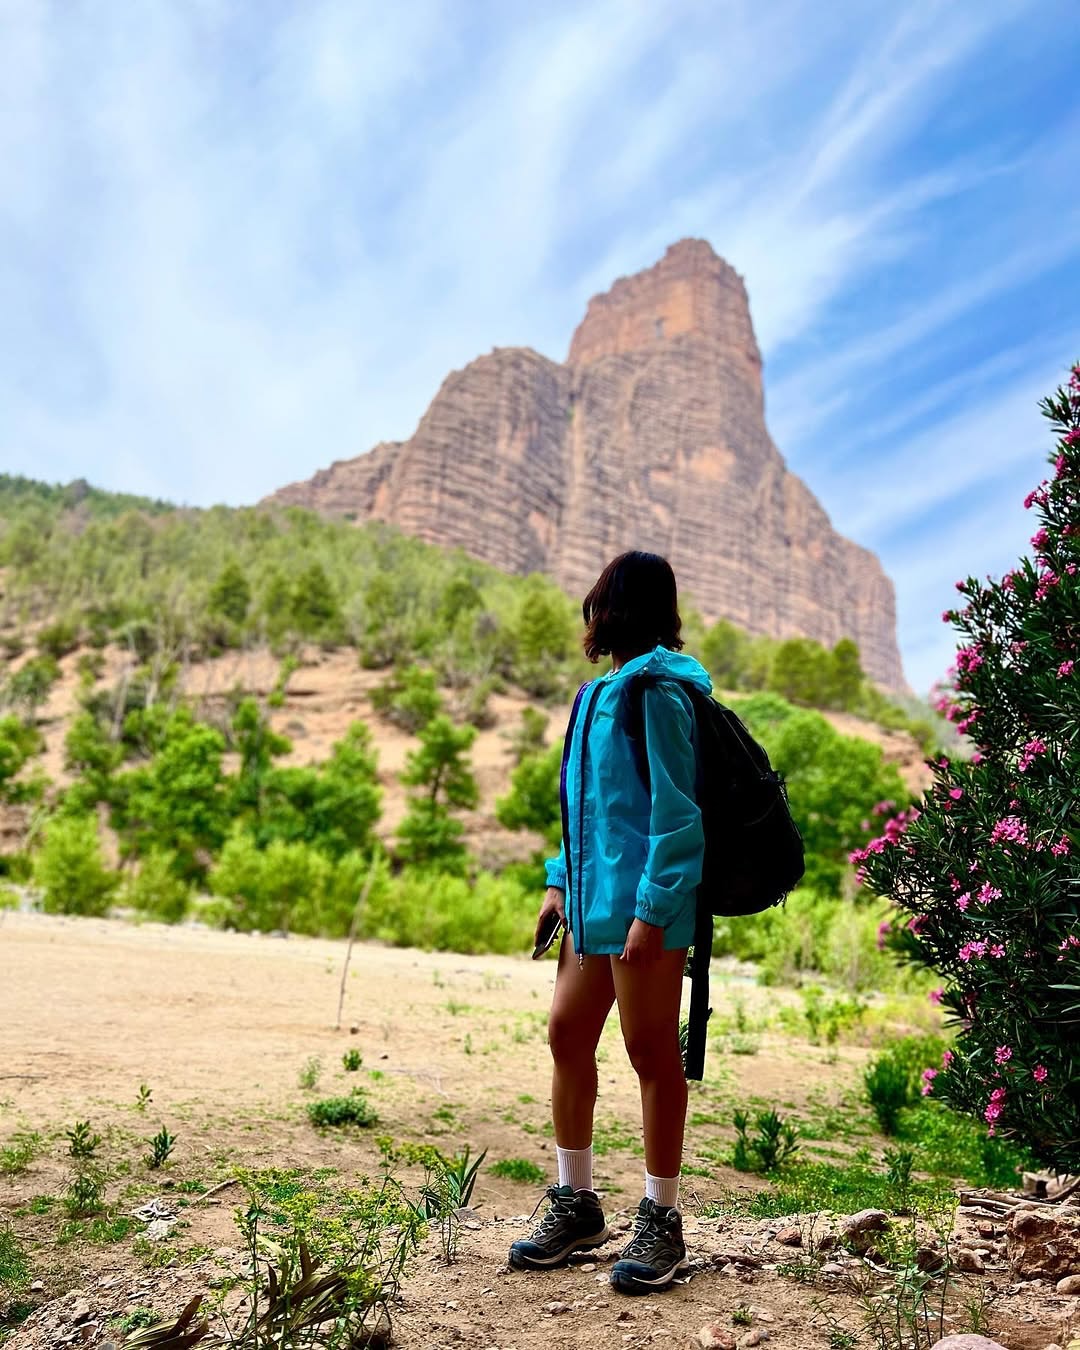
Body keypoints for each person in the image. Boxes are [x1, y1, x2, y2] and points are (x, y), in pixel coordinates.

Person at [508, 551, 710, 1295]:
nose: (591, 612)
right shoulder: (594, 697)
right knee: (567, 1034)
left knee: (650, 1051)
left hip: (645, 912)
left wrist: (653, 913)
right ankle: (577, 1204)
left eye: (599, 600)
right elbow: (583, 808)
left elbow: (677, 818)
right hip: (590, 908)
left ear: (616, 607)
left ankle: (662, 1219)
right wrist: (557, 883)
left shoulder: (660, 694)